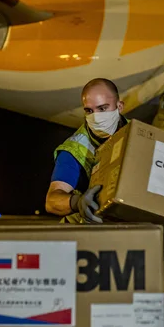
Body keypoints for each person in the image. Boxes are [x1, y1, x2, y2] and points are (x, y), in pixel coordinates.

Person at [45, 78, 127, 223]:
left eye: (102, 109)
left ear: (119, 107)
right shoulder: (74, 150)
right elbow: (51, 201)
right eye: (89, 111)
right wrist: (77, 202)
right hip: (86, 230)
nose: (96, 117)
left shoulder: (134, 133)